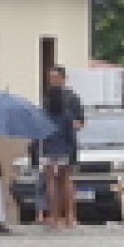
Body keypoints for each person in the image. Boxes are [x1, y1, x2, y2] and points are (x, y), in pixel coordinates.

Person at [46, 66, 84, 227]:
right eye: (50, 77)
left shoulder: (72, 98)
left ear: (63, 78)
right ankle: (57, 216)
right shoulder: (47, 98)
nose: (52, 80)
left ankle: (66, 215)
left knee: (61, 180)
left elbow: (80, 122)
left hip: (55, 145)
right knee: (57, 180)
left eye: (55, 77)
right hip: (60, 145)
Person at [38, 82, 78, 229]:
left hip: (48, 150)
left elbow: (40, 134)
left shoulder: (43, 114)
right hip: (64, 150)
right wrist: (73, 153)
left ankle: (53, 217)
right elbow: (71, 136)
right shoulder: (67, 114)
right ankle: (69, 217)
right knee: (65, 182)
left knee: (50, 183)